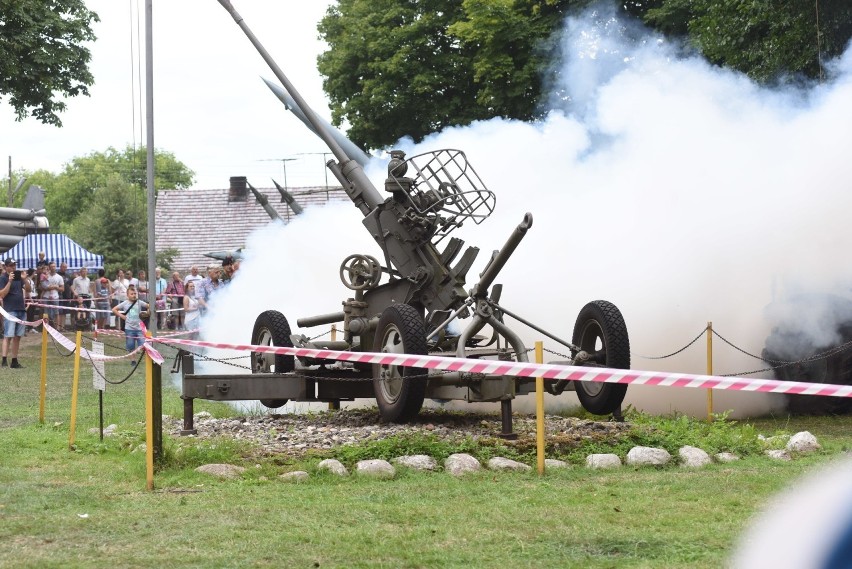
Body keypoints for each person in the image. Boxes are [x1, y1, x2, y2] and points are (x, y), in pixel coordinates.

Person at [0, 259, 32, 368]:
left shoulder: (19, 278)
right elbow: (2, 294)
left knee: (18, 336)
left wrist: (25, 279)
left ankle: (14, 361)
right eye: (11, 265)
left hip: (21, 309)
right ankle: (4, 360)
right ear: (6, 267)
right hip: (10, 310)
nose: (14, 267)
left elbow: (29, 289)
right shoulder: (3, 278)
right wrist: (9, 281)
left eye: (15, 265)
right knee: (8, 335)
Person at [111, 285, 149, 366]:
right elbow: (114, 309)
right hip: (129, 329)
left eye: (135, 293)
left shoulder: (139, 302)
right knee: (131, 346)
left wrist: (147, 313)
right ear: (127, 295)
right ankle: (133, 360)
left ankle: (147, 359)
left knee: (143, 345)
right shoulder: (125, 303)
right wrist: (122, 316)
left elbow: (149, 306)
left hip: (139, 328)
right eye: (132, 294)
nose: (134, 295)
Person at [41, 262, 65, 330]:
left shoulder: (59, 277)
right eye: (51, 266)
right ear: (49, 267)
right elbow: (41, 286)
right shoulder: (45, 276)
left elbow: (62, 289)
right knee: (46, 313)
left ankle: (57, 328)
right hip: (46, 296)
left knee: (56, 313)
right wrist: (47, 288)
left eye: (54, 266)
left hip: (55, 296)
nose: (53, 268)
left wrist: (56, 287)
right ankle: (46, 328)